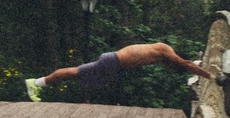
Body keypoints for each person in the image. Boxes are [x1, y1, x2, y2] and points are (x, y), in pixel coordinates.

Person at [24, 42, 213, 101]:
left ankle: (39, 83)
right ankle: (36, 83)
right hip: (112, 61)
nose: (169, 68)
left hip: (113, 63)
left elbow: (183, 63)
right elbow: (185, 63)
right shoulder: (165, 50)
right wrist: (209, 75)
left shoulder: (162, 52)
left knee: (83, 77)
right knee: (76, 73)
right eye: (172, 66)